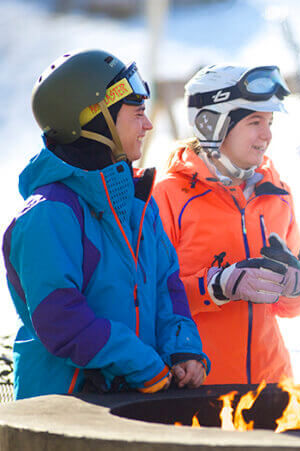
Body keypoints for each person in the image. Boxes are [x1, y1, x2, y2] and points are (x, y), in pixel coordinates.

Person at [4, 49, 208, 399]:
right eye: (137, 113)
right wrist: (139, 362)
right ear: (94, 119)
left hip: (131, 399)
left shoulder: (138, 205)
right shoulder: (49, 213)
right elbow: (60, 319)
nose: (148, 125)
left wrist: (183, 349)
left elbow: (166, 288)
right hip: (65, 412)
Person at [153, 65, 300, 385]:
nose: (267, 135)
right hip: (197, 389)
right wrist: (216, 286)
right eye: (255, 122)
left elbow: (294, 307)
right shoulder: (166, 196)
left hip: (273, 388)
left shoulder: (277, 194)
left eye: (269, 122)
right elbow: (150, 300)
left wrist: (297, 284)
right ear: (212, 123)